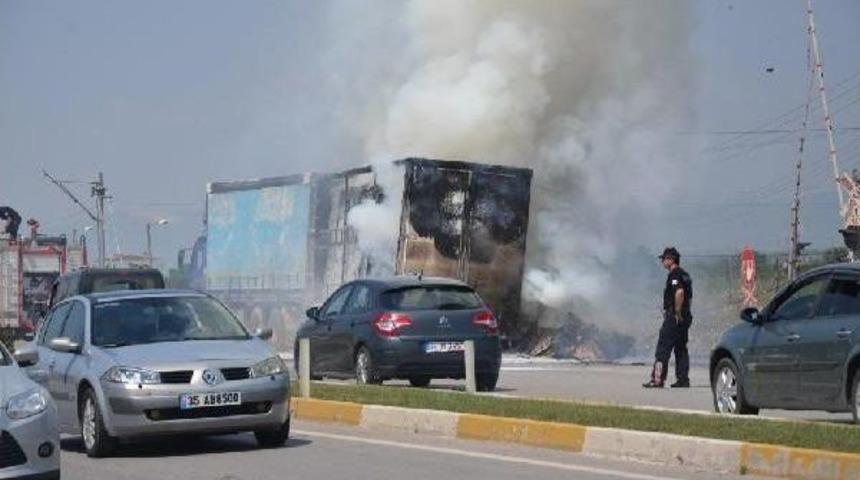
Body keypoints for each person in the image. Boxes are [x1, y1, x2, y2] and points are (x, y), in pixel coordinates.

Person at [643, 247, 693, 389]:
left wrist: (676, 311)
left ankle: (657, 380)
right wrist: (684, 312)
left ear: (670, 259)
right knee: (681, 348)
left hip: (675, 317)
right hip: (685, 316)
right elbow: (688, 298)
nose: (662, 262)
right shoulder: (685, 275)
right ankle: (683, 379)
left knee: (663, 347)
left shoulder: (675, 274)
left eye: (664, 259)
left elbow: (680, 293)